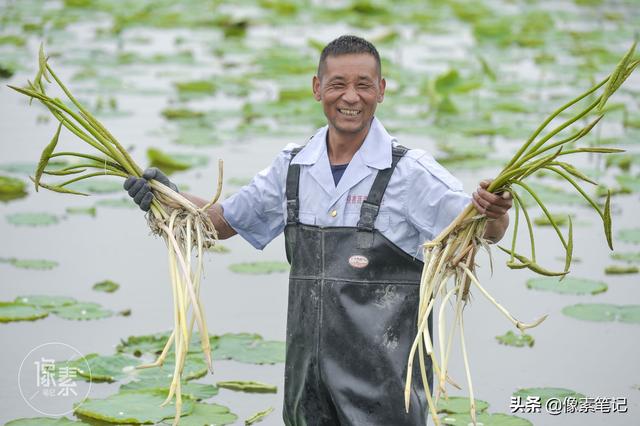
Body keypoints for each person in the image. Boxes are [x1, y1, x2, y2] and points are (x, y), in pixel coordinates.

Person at [124, 35, 512, 426]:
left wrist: (494, 212)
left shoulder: (411, 173)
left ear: (381, 90)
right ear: (316, 88)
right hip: (307, 394)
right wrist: (168, 199)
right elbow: (222, 222)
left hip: (385, 398)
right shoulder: (292, 167)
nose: (350, 97)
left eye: (363, 84)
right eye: (337, 84)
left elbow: (481, 231)